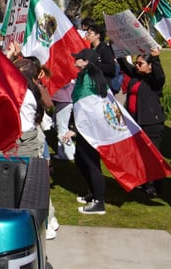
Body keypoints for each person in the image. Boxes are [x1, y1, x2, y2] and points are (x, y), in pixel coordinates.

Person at [12, 56, 59, 239]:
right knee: (34, 185)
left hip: (27, 142)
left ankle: (46, 222)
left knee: (31, 187)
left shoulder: (25, 91)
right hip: (29, 140)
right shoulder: (30, 89)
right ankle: (47, 220)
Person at [62, 48, 108, 215]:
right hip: (85, 126)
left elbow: (88, 108)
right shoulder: (86, 76)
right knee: (81, 160)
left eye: (79, 59)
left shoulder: (88, 79)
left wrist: (75, 130)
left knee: (91, 163)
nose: (75, 61)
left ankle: (99, 202)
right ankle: (94, 193)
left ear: (86, 62)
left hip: (89, 128)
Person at [119, 48, 166, 196]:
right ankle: (144, 180)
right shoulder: (136, 76)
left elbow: (160, 76)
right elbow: (126, 67)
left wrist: (156, 59)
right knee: (139, 153)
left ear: (150, 66)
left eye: (141, 63)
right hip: (136, 121)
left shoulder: (154, 81)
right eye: (136, 63)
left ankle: (155, 184)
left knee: (153, 154)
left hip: (151, 123)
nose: (137, 66)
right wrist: (117, 49)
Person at [81, 21, 121, 93]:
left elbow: (110, 67)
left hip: (103, 86)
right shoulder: (90, 49)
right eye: (86, 33)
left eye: (89, 33)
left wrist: (92, 65)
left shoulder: (104, 49)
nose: (87, 36)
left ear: (97, 35)